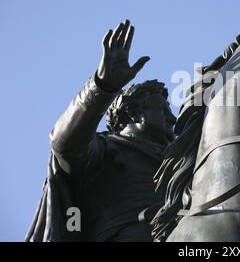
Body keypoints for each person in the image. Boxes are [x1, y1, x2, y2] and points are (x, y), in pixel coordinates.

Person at [26, 20, 176, 241]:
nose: (172, 118)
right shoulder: (106, 149)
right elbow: (63, 143)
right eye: (163, 110)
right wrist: (103, 87)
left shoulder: (180, 158)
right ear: (133, 113)